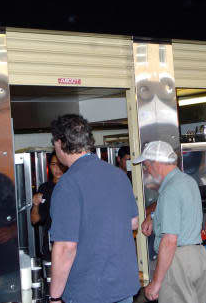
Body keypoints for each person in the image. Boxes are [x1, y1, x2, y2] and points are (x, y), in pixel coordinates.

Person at [48, 114, 139, 303]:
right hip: (123, 287)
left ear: (59, 142)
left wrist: (55, 297)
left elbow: (65, 247)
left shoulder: (68, 184)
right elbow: (133, 222)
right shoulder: (118, 175)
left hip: (88, 292)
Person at [133, 140, 206, 303]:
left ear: (157, 163)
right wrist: (153, 217)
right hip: (198, 256)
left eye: (146, 166)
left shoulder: (170, 190)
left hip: (178, 262)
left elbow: (169, 241)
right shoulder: (188, 182)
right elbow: (182, 215)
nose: (147, 172)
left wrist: (156, 282)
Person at [31, 153, 66, 260]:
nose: (57, 169)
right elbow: (34, 220)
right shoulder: (45, 188)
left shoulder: (73, 185)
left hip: (73, 243)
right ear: (49, 166)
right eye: (54, 164)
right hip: (51, 245)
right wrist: (36, 205)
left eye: (61, 165)